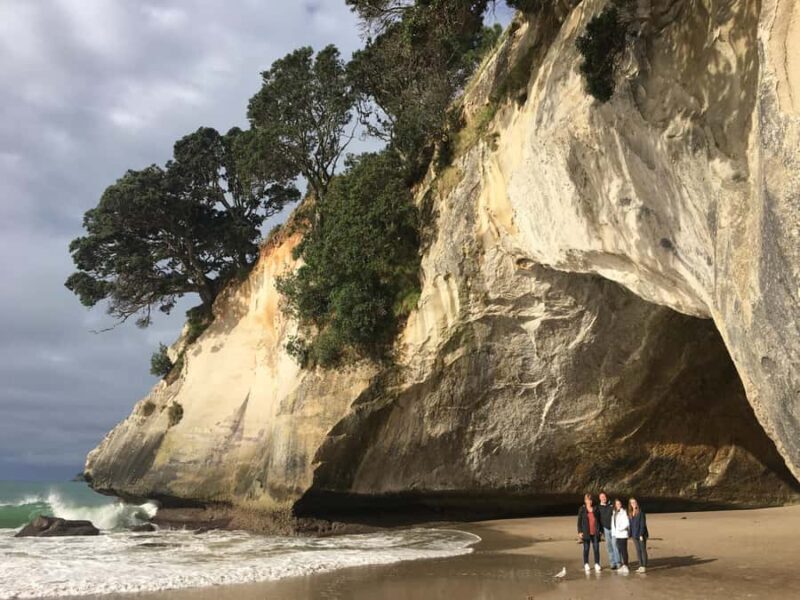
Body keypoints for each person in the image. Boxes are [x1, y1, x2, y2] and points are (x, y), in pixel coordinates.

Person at [577, 493, 602, 573]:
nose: (589, 502)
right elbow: (579, 521)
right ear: (585, 500)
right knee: (586, 549)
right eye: (587, 500)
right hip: (586, 532)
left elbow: (599, 520)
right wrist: (580, 532)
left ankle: (597, 564)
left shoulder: (596, 508)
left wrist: (600, 530)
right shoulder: (582, 509)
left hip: (595, 532)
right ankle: (586, 564)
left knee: (596, 548)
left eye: (590, 500)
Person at [598, 490, 620, 569]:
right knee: (609, 547)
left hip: (614, 529)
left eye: (604, 496)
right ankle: (612, 563)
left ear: (606, 497)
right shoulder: (598, 507)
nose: (603, 498)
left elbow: (618, 513)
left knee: (615, 545)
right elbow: (598, 519)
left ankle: (618, 563)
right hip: (605, 529)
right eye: (601, 497)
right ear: (599, 498)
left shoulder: (611, 505)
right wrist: (600, 531)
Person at [629, 497, 649, 573]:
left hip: (641, 534)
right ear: (630, 504)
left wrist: (641, 534)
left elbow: (643, 524)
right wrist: (630, 534)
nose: (633, 504)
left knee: (643, 550)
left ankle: (644, 566)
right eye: (632, 503)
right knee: (638, 550)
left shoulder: (641, 512)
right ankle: (640, 565)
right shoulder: (631, 513)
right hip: (634, 534)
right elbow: (631, 525)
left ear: (637, 503)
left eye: (634, 502)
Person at [611, 497, 630, 574]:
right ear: (615, 505)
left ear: (621, 504)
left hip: (622, 534)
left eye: (619, 503)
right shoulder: (615, 512)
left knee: (624, 550)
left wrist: (619, 528)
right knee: (621, 550)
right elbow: (613, 524)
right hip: (617, 535)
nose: (618, 505)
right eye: (616, 504)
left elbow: (627, 523)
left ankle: (626, 565)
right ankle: (623, 565)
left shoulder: (624, 512)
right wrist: (614, 533)